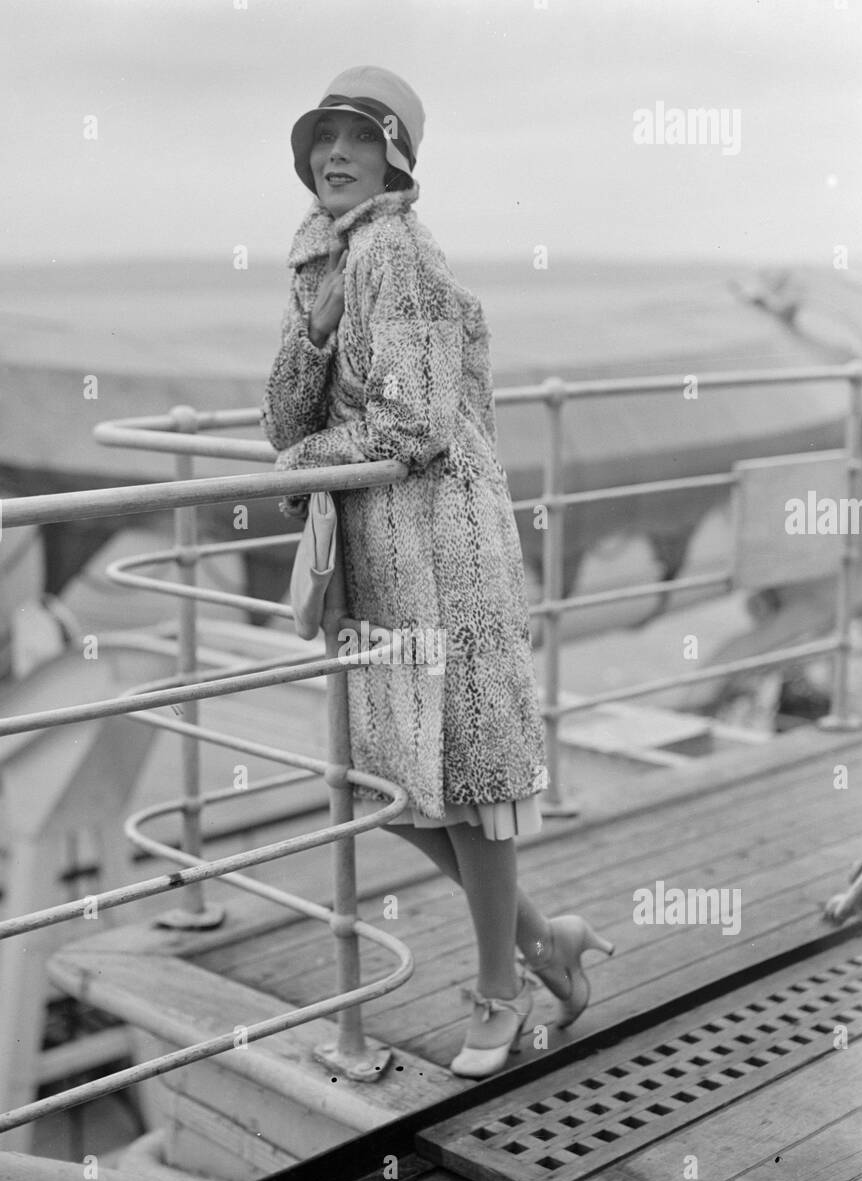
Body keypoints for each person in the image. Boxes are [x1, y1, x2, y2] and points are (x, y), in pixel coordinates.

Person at [261, 65, 613, 1078]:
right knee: (401, 783)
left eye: (358, 140)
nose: (335, 155)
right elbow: (287, 418)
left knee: (468, 783)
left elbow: (412, 426)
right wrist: (316, 330)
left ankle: (500, 994)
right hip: (382, 557)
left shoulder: (401, 249)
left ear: (395, 157)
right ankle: (546, 940)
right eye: (323, 138)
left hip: (449, 550)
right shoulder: (325, 257)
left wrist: (299, 464)